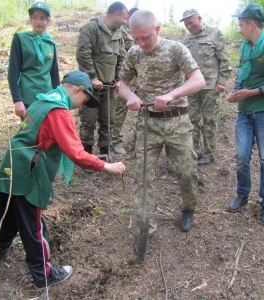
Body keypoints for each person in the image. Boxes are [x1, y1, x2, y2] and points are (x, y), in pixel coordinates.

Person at [0, 70, 126, 289]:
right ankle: (43, 274)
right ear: (78, 90)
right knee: (33, 224)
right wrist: (106, 166)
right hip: (29, 169)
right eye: (84, 101)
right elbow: (76, 153)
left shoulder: (42, 100)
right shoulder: (59, 112)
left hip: (12, 162)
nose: (81, 106)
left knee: (8, 210)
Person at [118, 10, 205, 253]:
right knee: (143, 178)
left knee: (186, 171)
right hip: (148, 124)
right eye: (136, 39)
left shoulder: (176, 49)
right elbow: (122, 84)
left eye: (145, 37)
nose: (141, 43)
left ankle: (188, 207)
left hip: (177, 121)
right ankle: (146, 228)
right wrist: (131, 95)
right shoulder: (134, 54)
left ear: (157, 30)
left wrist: (171, 95)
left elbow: (198, 80)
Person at [225, 3, 264, 226]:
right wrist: (235, 92)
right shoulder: (245, 47)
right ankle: (242, 194)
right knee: (241, 156)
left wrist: (251, 92)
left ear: (252, 24)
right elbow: (242, 75)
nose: (240, 29)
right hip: (245, 112)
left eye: (241, 25)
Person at [180, 9, 232, 165]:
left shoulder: (215, 34)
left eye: (191, 22)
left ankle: (209, 154)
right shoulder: (187, 40)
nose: (189, 26)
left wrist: (222, 82)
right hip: (192, 87)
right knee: (191, 120)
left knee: (209, 121)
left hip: (211, 87)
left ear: (199, 18)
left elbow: (225, 60)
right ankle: (194, 152)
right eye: (186, 23)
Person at [76, 2, 128, 158]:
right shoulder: (91, 28)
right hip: (91, 88)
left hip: (109, 88)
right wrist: (92, 77)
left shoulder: (119, 35)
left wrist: (118, 79)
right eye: (125, 17)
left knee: (108, 121)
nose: (126, 21)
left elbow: (121, 59)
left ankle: (105, 154)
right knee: (88, 121)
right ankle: (87, 155)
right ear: (116, 14)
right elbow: (83, 54)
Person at [8, 1, 60, 119]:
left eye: (42, 18)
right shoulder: (20, 39)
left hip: (48, 98)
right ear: (30, 19)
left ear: (48, 21)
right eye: (34, 17)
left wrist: (58, 97)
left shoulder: (50, 44)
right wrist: (17, 100)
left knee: (47, 134)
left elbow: (54, 75)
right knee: (30, 133)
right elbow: (13, 73)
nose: (38, 21)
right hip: (28, 98)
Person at [112, 7, 139, 155]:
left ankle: (138, 140)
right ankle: (115, 141)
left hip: (140, 78)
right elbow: (118, 56)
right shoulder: (120, 31)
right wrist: (118, 78)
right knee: (119, 111)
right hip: (124, 79)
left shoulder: (139, 32)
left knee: (145, 109)